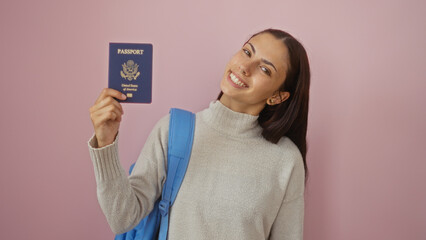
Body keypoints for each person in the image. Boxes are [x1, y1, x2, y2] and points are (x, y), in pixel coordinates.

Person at [88, 28, 310, 240]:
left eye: (265, 69)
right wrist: (105, 142)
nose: (245, 67)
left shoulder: (286, 160)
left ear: (277, 97)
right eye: (247, 51)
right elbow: (122, 218)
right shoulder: (172, 132)